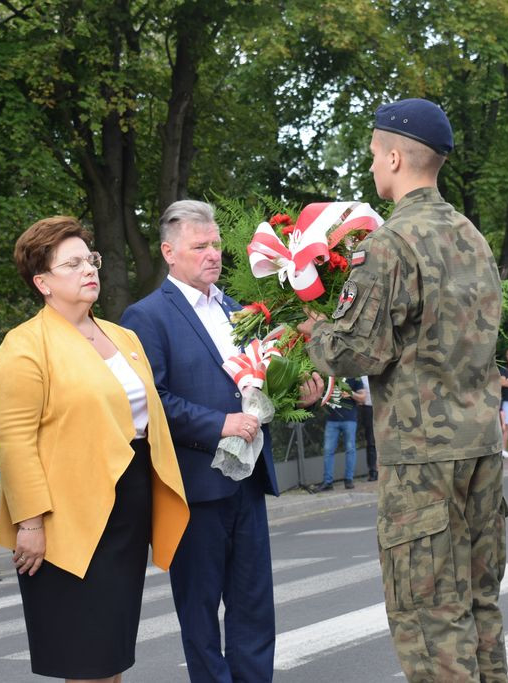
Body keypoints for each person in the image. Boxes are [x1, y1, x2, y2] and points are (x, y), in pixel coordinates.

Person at [300, 98, 508, 682]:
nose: (371, 167)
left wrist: (312, 328)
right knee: (479, 606)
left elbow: (356, 352)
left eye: (373, 155)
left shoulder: (391, 244)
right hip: (480, 447)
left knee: (429, 618)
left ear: (395, 156)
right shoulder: (472, 237)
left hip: (422, 459)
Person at [121, 199, 324, 683]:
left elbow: (261, 385)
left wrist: (304, 391)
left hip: (247, 482)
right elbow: (154, 400)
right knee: (201, 614)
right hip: (193, 489)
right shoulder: (145, 317)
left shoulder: (238, 311)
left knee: (255, 608)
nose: (213, 253)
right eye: (200, 246)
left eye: (215, 244)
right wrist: (219, 424)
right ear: (169, 252)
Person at [0, 215, 189, 682]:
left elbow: (147, 421)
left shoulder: (123, 337)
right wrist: (31, 522)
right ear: (43, 282)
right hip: (66, 518)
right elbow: (12, 440)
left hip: (126, 506)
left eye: (90, 259)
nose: (88, 269)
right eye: (72, 263)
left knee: (111, 653)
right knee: (84, 657)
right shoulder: (24, 346)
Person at [313, 377, 365, 491]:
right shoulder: (330, 376)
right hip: (332, 419)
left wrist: (350, 393)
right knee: (328, 451)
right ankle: (328, 482)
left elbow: (363, 398)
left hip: (349, 418)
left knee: (350, 449)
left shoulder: (354, 376)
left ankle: (349, 479)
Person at [356, 374, 378, 481]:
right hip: (367, 409)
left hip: (382, 408)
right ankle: (373, 471)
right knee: (371, 441)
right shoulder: (361, 376)